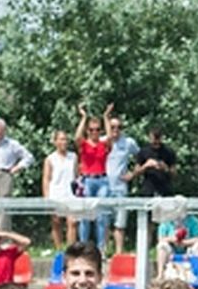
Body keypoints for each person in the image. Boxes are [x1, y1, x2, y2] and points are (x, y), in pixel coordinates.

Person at [102, 112, 139, 255]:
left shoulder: (129, 142)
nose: (115, 130)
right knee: (103, 224)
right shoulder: (103, 141)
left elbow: (140, 158)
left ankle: (118, 254)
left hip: (121, 188)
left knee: (120, 224)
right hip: (104, 188)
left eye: (118, 127)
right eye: (112, 127)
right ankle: (102, 253)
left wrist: (133, 174)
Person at [74, 108, 109, 247]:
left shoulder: (103, 145)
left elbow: (110, 136)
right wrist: (84, 118)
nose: (94, 132)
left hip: (102, 180)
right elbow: (77, 137)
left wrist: (106, 116)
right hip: (87, 180)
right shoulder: (84, 145)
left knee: (101, 216)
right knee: (85, 216)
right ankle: (83, 246)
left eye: (97, 129)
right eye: (91, 129)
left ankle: (101, 249)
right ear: (87, 131)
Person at [42, 130, 78, 249]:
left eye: (65, 139)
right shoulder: (50, 159)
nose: (64, 142)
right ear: (55, 141)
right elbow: (46, 179)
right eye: (61, 139)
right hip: (55, 193)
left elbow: (76, 176)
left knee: (72, 222)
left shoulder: (73, 157)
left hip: (70, 194)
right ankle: (58, 249)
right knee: (56, 223)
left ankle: (70, 250)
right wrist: (47, 197)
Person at [131, 127, 177, 198]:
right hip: (148, 191)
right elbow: (135, 173)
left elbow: (174, 174)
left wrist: (165, 168)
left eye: (158, 138)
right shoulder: (143, 152)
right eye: (154, 138)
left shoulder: (168, 152)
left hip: (165, 191)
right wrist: (146, 166)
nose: (155, 141)